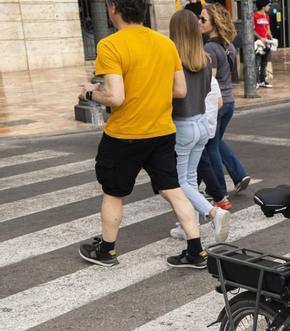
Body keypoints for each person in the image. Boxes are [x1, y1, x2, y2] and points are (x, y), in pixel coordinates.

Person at [79, 0, 209, 269]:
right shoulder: (165, 44)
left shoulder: (110, 45)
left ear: (114, 8)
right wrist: (151, 90)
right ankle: (196, 251)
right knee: (173, 189)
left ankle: (106, 250)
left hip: (124, 133)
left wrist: (90, 93)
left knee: (113, 192)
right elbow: (180, 90)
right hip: (162, 131)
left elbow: (115, 97)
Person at [168, 10, 230, 243]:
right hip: (201, 122)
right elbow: (206, 93)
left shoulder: (173, 62)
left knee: (179, 182)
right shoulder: (205, 59)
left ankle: (214, 213)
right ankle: (188, 226)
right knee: (190, 179)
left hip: (182, 125)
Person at [199, 3, 252, 207]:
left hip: (217, 104)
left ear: (214, 23)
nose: (199, 22)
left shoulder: (209, 48)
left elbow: (209, 82)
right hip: (229, 102)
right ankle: (239, 175)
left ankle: (218, 191)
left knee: (210, 146)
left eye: (203, 19)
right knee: (216, 142)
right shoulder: (228, 45)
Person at [253, 0, 273, 88]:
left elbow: (268, 29)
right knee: (257, 62)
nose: (269, 7)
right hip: (258, 44)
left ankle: (262, 81)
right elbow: (252, 30)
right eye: (268, 5)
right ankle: (256, 81)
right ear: (263, 6)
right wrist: (260, 38)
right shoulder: (254, 16)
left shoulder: (267, 16)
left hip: (267, 43)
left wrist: (270, 37)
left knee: (264, 63)